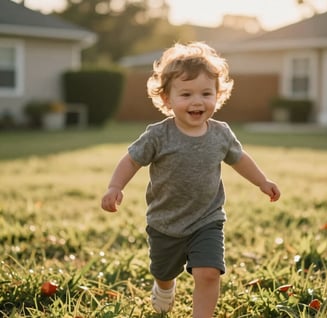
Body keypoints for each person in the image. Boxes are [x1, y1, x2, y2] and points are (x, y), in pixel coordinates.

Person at [101, 41, 280, 317]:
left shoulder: (221, 134)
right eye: (186, 94)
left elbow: (239, 158)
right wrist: (115, 186)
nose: (197, 101)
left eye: (206, 93)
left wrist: (262, 181)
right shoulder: (158, 135)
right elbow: (131, 160)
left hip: (207, 220)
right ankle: (164, 287)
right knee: (163, 271)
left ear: (218, 96)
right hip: (165, 223)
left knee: (208, 273)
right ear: (166, 99)